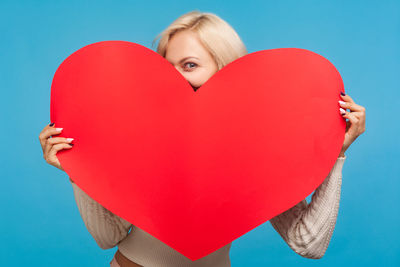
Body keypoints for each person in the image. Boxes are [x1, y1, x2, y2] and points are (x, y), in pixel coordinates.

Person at [38, 10, 366, 267]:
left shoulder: (260, 146)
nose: (175, 78)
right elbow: (107, 237)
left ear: (225, 70)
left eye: (190, 65)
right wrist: (77, 170)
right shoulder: (138, 137)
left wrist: (335, 155)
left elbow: (308, 244)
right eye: (167, 67)